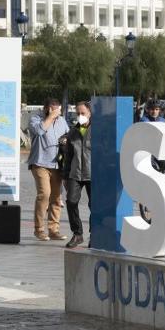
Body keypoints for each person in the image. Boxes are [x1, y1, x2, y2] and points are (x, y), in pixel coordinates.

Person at [27, 98, 68, 242]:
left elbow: (67, 136)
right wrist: (50, 117)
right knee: (45, 194)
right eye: (52, 109)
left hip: (57, 164)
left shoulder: (62, 121)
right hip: (39, 163)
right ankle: (39, 230)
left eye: (57, 109)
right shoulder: (35, 118)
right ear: (46, 108)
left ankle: (53, 230)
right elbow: (39, 131)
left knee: (56, 197)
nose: (55, 112)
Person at [62, 101, 93, 249]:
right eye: (78, 113)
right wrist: (65, 176)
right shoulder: (73, 132)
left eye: (83, 113)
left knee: (95, 205)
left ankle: (94, 234)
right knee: (71, 201)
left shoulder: (98, 131)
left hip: (93, 175)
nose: (80, 116)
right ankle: (77, 233)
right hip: (75, 173)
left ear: (90, 113)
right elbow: (68, 156)